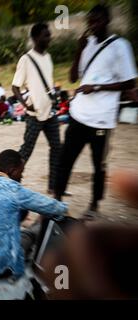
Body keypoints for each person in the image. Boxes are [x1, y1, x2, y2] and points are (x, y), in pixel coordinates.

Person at [55, 4, 137, 218]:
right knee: (65, 159)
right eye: (90, 21)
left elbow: (129, 82)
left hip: (102, 120)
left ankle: (93, 205)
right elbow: (73, 77)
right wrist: (79, 49)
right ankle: (56, 201)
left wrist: (97, 87)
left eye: (98, 21)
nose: (93, 25)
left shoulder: (120, 46)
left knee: (98, 164)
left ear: (107, 21)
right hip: (79, 114)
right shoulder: (87, 44)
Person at [0, 149, 67, 278]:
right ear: (12, 171)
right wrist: (63, 208)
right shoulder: (13, 189)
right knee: (33, 231)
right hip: (2, 267)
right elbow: (54, 208)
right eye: (21, 172)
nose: (22, 176)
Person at [12, 22, 61, 194]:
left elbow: (47, 83)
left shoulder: (48, 57)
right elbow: (15, 87)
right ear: (35, 38)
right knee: (26, 150)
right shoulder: (26, 59)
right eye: (45, 35)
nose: (49, 38)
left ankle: (54, 185)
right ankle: (12, 183)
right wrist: (25, 104)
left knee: (57, 147)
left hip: (50, 112)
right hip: (34, 114)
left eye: (49, 35)